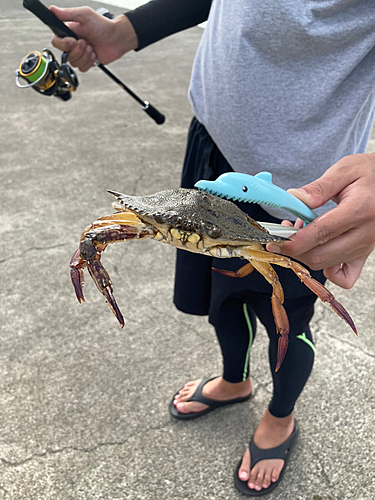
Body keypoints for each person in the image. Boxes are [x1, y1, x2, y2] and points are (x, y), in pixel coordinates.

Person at [51, 1, 375, 495]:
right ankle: (235, 380)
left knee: (287, 319)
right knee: (220, 303)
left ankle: (281, 417)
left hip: (301, 195)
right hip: (211, 160)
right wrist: (128, 30)